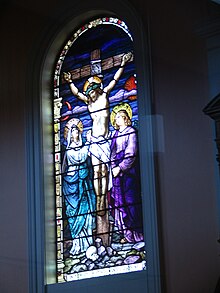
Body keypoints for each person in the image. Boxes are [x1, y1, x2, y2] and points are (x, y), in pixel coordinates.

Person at [63, 52, 132, 218]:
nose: (89, 95)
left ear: (97, 90)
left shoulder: (105, 96)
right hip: (94, 139)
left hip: (105, 140)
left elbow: (114, 81)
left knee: (104, 170)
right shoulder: (89, 102)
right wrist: (70, 81)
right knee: (96, 172)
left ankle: (104, 199)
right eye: (88, 93)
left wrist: (122, 64)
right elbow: (76, 94)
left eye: (91, 92)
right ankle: (99, 199)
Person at [109, 103, 144, 243]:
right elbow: (112, 154)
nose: (116, 120)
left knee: (131, 201)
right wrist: (113, 167)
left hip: (129, 173)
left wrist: (121, 167)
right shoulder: (115, 135)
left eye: (119, 117)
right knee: (119, 202)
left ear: (126, 118)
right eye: (115, 117)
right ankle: (126, 233)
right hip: (117, 173)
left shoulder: (131, 131)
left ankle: (138, 234)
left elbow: (132, 152)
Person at [62, 118, 96, 255]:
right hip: (72, 184)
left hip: (84, 183)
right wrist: (88, 143)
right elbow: (81, 157)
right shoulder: (69, 151)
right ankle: (77, 243)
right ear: (70, 135)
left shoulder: (83, 147)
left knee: (86, 212)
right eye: (73, 131)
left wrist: (88, 143)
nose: (76, 133)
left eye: (77, 131)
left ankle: (88, 242)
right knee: (74, 214)